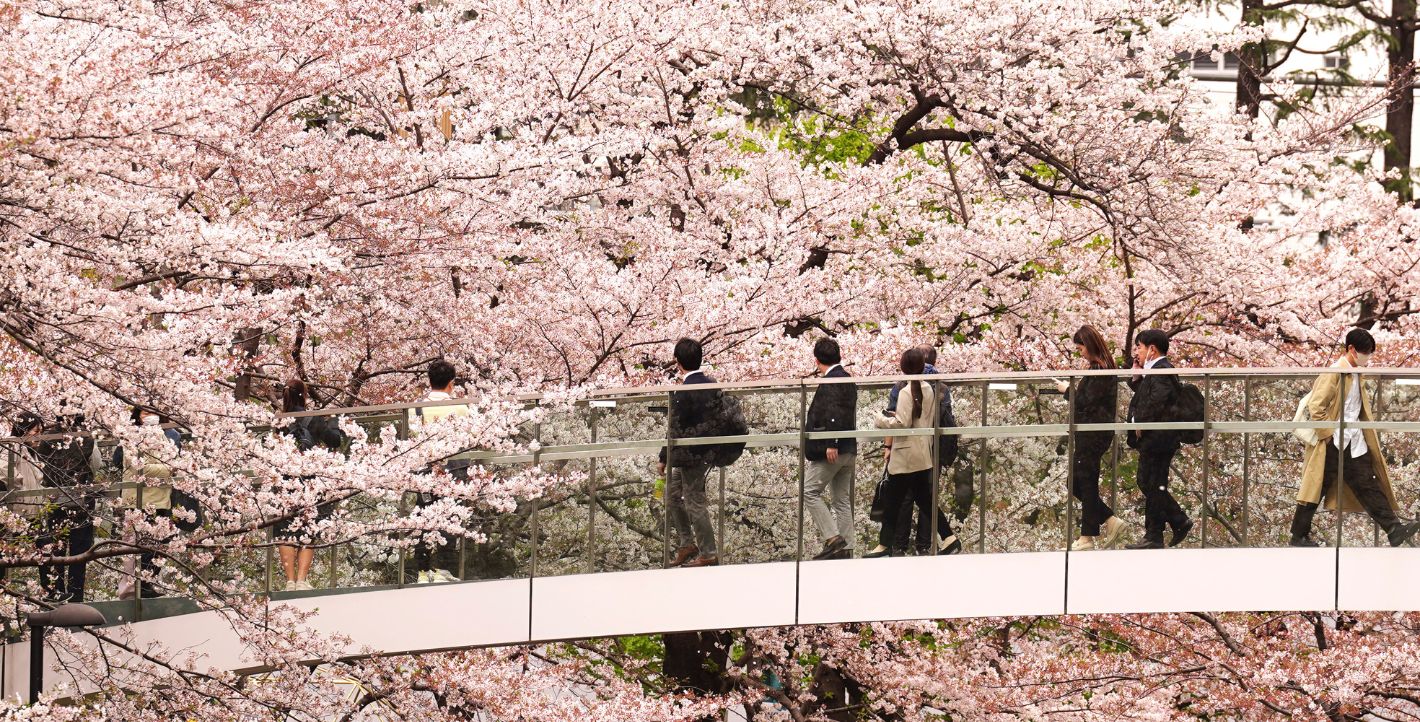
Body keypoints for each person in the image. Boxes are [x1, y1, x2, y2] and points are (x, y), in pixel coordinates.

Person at [1289, 328, 1420, 547]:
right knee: (1317, 485)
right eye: (1365, 352)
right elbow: (1316, 406)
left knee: (1366, 483)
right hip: (1333, 441)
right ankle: (1298, 535)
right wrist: (1327, 435)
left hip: (1352, 440)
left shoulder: (1355, 371)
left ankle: (1394, 529)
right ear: (1351, 349)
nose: (1368, 356)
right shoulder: (1335, 372)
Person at [866, 348, 961, 558]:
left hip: (905, 455)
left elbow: (902, 423)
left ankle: (884, 545)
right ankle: (948, 537)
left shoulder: (906, 392)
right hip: (922, 453)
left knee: (893, 500)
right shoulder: (929, 388)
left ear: (903, 367)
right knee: (925, 501)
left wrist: (881, 419)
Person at [1056, 326, 1127, 550]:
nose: (1080, 353)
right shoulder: (1101, 369)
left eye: (1081, 348)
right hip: (1092, 433)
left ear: (1090, 345)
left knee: (1084, 483)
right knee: (1078, 482)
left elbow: (1087, 401)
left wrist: (1067, 390)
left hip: (1093, 434)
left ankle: (1088, 536)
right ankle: (1108, 520)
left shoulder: (1100, 370)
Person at [1123, 330, 1192, 550]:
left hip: (1159, 438)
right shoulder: (1157, 371)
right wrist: (1136, 377)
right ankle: (1158, 532)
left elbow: (1158, 399)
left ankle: (1170, 525)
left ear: (1152, 349)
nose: (1137, 352)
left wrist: (1141, 421)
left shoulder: (1162, 371)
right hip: (1158, 437)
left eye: (1139, 347)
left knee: (1149, 482)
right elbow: (1148, 394)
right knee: (1152, 482)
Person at [658, 338, 722, 568]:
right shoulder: (711, 384)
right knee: (673, 494)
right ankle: (688, 543)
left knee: (694, 501)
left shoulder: (683, 391)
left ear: (677, 361)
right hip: (705, 453)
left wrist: (664, 457)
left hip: (691, 456)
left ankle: (709, 553)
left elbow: (674, 427)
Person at [407, 360, 472, 584]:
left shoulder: (417, 407)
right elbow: (468, 437)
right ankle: (444, 568)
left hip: (426, 467)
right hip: (454, 467)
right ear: (451, 383)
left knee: (424, 516)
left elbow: (413, 438)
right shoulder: (461, 407)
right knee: (451, 516)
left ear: (430, 381)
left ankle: (423, 571)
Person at [277, 380, 345, 590]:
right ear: (304, 395)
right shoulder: (312, 418)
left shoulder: (278, 420)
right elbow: (334, 441)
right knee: (308, 529)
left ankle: (289, 581)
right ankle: (302, 580)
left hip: (284, 478)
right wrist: (333, 421)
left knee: (285, 530)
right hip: (308, 480)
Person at [115, 406, 183, 599]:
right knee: (137, 542)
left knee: (160, 541)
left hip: (161, 496)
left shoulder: (167, 434)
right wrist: (166, 469)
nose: (149, 417)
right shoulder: (130, 435)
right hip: (137, 497)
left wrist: (168, 468)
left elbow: (175, 462)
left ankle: (147, 582)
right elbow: (136, 466)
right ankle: (133, 588)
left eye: (153, 413)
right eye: (144, 413)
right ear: (136, 416)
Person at [33, 413, 97, 602]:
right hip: (80, 497)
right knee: (80, 551)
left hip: (56, 498)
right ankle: (75, 595)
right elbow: (93, 464)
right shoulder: (86, 437)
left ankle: (58, 592)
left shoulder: (48, 438)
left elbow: (45, 465)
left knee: (57, 549)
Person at [803, 338, 857, 560]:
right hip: (849, 449)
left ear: (817, 361)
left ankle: (833, 539)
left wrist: (831, 441)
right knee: (841, 499)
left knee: (809, 491)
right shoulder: (847, 378)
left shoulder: (832, 380)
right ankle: (847, 547)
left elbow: (835, 411)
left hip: (834, 449)